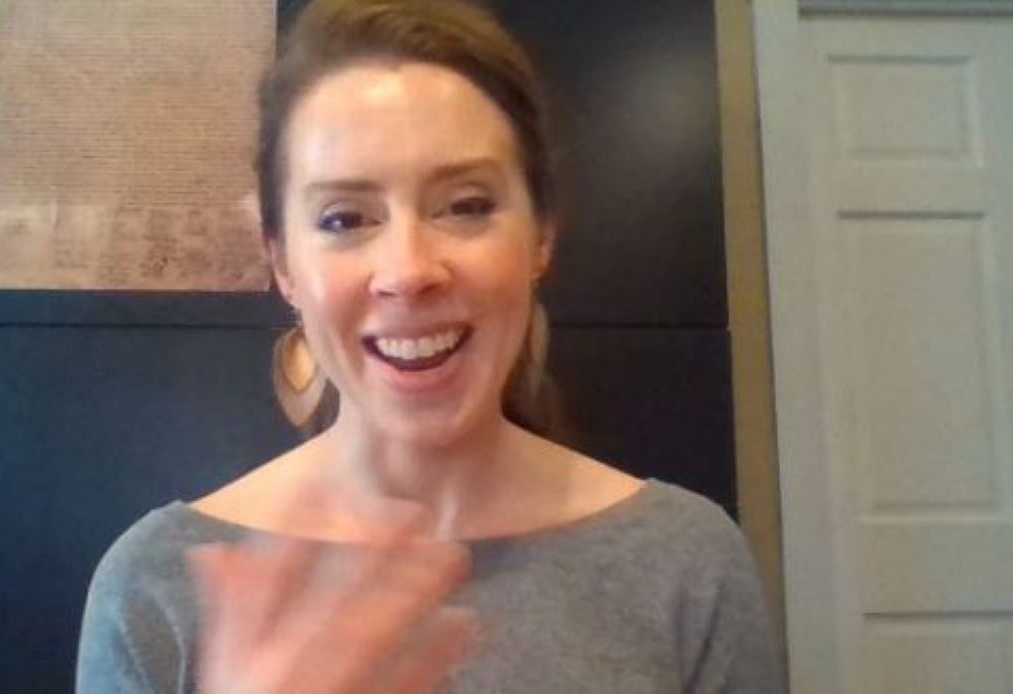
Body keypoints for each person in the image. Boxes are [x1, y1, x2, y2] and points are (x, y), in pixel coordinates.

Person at [76, 1, 783, 692]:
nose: (409, 270)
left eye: (466, 205)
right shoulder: (156, 586)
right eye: (344, 218)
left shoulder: (686, 563)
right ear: (283, 264)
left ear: (541, 235)